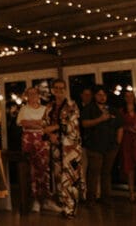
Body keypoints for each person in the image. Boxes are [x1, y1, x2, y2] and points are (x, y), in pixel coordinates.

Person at [43, 79, 81, 218]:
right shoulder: (49, 106)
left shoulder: (72, 105)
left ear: (65, 90)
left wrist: (55, 127)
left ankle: (71, 209)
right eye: (56, 88)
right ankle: (63, 206)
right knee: (58, 177)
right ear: (53, 90)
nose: (59, 91)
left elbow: (72, 125)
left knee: (70, 179)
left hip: (70, 149)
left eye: (61, 88)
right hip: (55, 147)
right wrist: (50, 134)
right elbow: (44, 124)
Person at [80, 85, 122, 204]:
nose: (102, 97)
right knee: (93, 172)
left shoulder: (112, 109)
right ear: (95, 96)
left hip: (111, 146)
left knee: (106, 173)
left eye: (104, 95)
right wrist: (100, 119)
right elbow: (84, 124)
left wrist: (118, 142)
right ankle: (91, 198)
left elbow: (120, 125)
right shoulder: (89, 109)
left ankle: (106, 197)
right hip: (94, 146)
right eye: (99, 95)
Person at [17, 86, 50, 212]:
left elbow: (46, 123)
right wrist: (37, 122)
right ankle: (34, 199)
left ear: (38, 95)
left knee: (43, 169)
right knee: (31, 170)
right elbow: (23, 122)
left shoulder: (44, 109)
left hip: (42, 140)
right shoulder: (24, 109)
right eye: (29, 94)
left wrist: (34, 122)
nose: (32, 96)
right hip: (28, 140)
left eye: (34, 94)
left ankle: (45, 199)